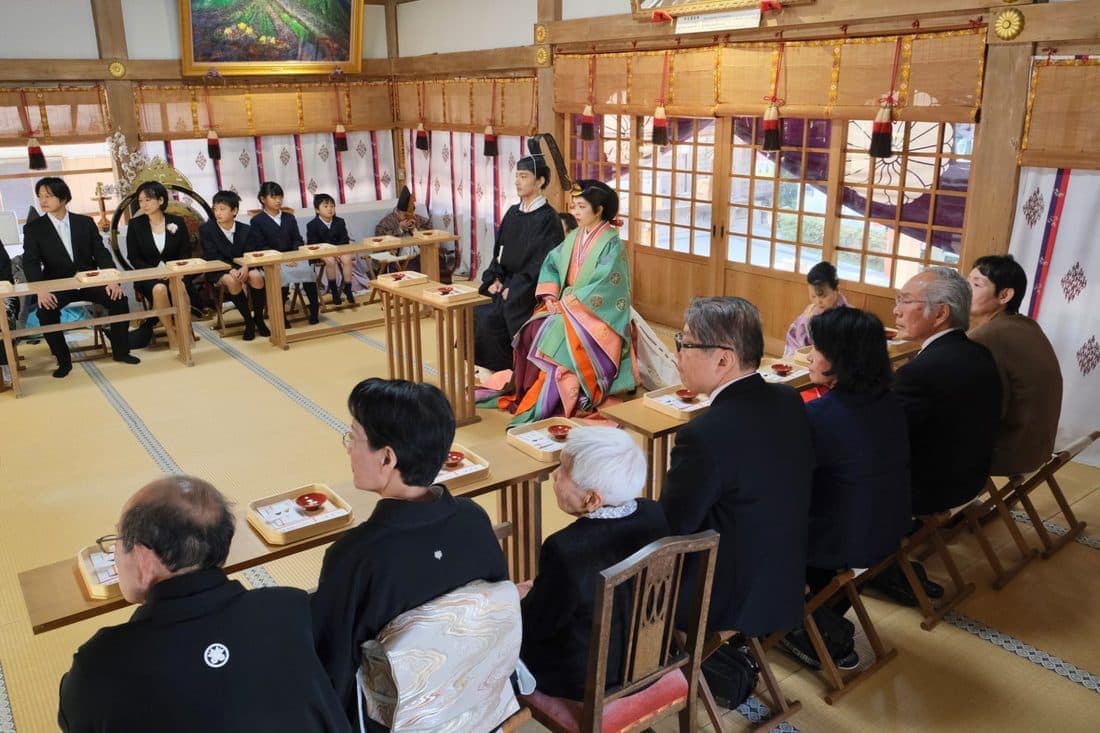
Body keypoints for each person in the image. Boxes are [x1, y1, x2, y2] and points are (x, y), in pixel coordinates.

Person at [58, 476, 351, 733]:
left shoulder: (101, 663)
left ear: (146, 559)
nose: (116, 552)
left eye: (119, 541)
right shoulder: (291, 609)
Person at [312, 378, 509, 727]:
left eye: (354, 437)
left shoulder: (354, 555)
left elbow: (333, 668)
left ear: (387, 458)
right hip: (474, 709)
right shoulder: (473, 519)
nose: (348, 448)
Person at [660, 297, 813, 642]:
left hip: (729, 596)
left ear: (723, 359)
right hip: (784, 576)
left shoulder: (703, 435)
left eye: (684, 344)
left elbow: (672, 531)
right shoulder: (788, 400)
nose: (677, 354)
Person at [778, 307, 910, 670]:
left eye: (817, 348)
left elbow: (784, 485)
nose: (810, 355)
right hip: (890, 533)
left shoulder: (820, 416)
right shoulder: (889, 402)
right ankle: (820, 616)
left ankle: (786, 621)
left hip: (841, 545)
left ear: (841, 359)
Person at [517, 427, 669, 700]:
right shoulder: (653, 513)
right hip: (652, 658)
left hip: (586, 681)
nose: (554, 476)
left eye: (563, 471)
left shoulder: (565, 548)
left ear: (593, 499)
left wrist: (526, 598)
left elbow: (537, 626)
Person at [879, 268, 1001, 603]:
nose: (896, 310)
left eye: (906, 301)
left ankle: (873, 565)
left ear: (941, 313)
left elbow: (881, 438)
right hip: (971, 479)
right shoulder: (978, 353)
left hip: (930, 489)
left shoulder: (920, 373)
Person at [505, 179, 635, 424]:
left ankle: (553, 400)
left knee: (554, 336)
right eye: (574, 205)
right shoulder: (574, 235)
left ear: (599, 210)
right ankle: (527, 393)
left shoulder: (612, 243)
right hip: (564, 302)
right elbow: (552, 263)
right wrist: (551, 296)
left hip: (595, 312)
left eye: (581, 206)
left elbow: (607, 284)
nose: (575, 212)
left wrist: (569, 304)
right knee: (531, 328)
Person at [22, 176, 139, 377]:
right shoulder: (34, 229)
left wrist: (111, 279)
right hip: (57, 284)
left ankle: (121, 351)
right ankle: (63, 361)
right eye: (40, 196)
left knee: (119, 298)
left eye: (48, 196)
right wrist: (40, 290)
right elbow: (30, 262)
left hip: (89, 280)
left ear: (64, 197)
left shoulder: (84, 222)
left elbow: (101, 253)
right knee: (45, 311)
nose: (43, 201)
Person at [968, 255, 1062, 476]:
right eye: (966, 282)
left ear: (1005, 295)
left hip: (1009, 453)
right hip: (1039, 447)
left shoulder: (986, 336)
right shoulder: (1027, 325)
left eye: (976, 284)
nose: (965, 290)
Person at [474, 140, 563, 372]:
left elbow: (544, 264)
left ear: (540, 181)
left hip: (528, 290)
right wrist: (494, 279)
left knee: (498, 318)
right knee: (475, 313)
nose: (517, 182)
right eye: (517, 176)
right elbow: (498, 253)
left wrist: (515, 289)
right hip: (505, 283)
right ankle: (485, 373)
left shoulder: (548, 219)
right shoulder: (513, 213)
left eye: (523, 176)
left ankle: (509, 375)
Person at [124, 181, 193, 349]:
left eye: (148, 200)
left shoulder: (177, 221)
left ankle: (184, 329)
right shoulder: (135, 225)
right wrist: (155, 272)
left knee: (178, 286)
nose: (144, 204)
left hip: (176, 273)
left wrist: (175, 271)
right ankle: (171, 332)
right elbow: (133, 257)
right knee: (159, 289)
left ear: (161, 200)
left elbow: (186, 252)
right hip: (149, 276)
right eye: (140, 201)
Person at [200, 190, 268, 341]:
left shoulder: (246, 229)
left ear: (234, 210)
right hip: (218, 269)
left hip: (242, 266)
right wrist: (230, 269)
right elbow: (211, 255)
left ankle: (259, 318)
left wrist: (245, 266)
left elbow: (250, 252)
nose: (218, 213)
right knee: (233, 281)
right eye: (215, 209)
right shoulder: (207, 230)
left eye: (222, 209)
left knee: (256, 276)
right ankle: (248, 322)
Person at [248, 181, 320, 325]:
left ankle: (314, 309)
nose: (278, 200)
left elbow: (297, 240)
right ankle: (281, 315)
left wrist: (293, 256)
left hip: (293, 258)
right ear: (263, 199)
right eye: (273, 197)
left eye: (280, 197)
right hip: (272, 260)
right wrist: (281, 259)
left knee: (307, 270)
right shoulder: (257, 221)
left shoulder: (289, 217)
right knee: (281, 274)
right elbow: (261, 246)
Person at [784, 261, 849, 357]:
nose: (818, 301)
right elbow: (796, 339)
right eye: (813, 296)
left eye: (823, 296)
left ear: (836, 290)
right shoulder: (810, 312)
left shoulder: (848, 316)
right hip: (804, 357)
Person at [307, 193, 356, 306]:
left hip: (339, 250)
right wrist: (331, 253)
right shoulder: (312, 225)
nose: (330, 209)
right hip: (320, 252)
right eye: (325, 206)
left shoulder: (340, 221)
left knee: (347, 258)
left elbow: (344, 239)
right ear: (317, 210)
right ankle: (334, 290)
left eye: (332, 206)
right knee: (330, 260)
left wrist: (338, 252)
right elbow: (313, 244)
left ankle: (348, 288)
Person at [373, 185, 430, 272]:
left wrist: (415, 230)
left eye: (410, 214)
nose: (407, 218)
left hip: (419, 256)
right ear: (397, 212)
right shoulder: (386, 222)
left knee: (434, 259)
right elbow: (380, 240)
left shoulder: (416, 218)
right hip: (397, 259)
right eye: (404, 215)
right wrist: (399, 229)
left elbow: (430, 232)